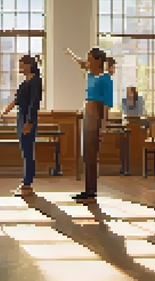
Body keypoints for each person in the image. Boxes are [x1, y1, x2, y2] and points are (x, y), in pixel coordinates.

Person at [65, 47, 113, 203]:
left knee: (92, 154)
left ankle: (91, 192)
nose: (87, 61)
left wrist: (103, 126)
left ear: (98, 61)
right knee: (86, 153)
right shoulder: (90, 75)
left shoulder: (106, 79)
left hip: (97, 114)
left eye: (90, 58)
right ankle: (88, 190)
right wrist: (71, 54)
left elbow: (107, 105)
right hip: (88, 112)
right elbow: (80, 63)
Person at [0, 55, 43, 197]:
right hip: (21, 116)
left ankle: (27, 183)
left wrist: (29, 122)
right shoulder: (26, 81)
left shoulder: (36, 81)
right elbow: (17, 99)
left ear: (29, 65)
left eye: (22, 65)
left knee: (28, 151)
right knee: (24, 150)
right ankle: (26, 181)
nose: (20, 68)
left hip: (28, 117)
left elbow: (34, 104)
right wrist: (6, 110)